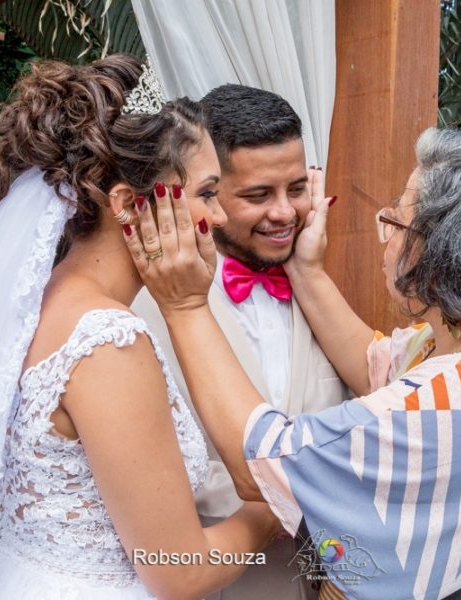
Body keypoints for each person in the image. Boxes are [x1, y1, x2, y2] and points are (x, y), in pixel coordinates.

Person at [0, 55, 281, 600]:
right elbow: (178, 571)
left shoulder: (33, 301)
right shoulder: (106, 341)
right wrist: (269, 509)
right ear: (128, 204)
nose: (219, 218)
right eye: (205, 193)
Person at [124, 127, 461, 599]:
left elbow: (262, 465)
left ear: (441, 252)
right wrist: (305, 269)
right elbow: (379, 369)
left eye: (395, 223)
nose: (385, 239)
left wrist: (185, 307)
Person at [133, 84, 347, 600]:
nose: (285, 213)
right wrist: (305, 491)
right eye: (258, 195)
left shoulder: (323, 298)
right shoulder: (139, 309)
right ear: (211, 192)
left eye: (297, 189)